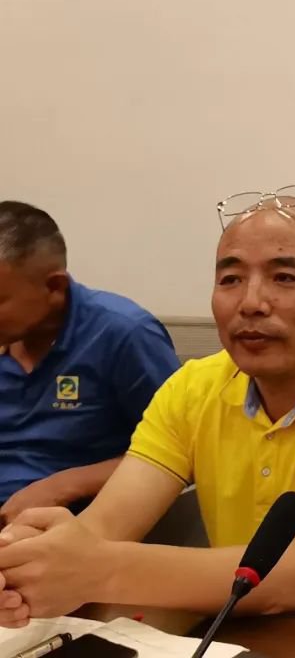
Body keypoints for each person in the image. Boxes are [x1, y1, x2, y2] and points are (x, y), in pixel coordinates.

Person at [0, 187, 295, 639]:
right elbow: (103, 527)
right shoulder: (192, 388)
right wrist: (28, 562)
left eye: (285, 278)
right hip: (243, 634)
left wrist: (94, 568)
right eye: (230, 279)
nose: (251, 303)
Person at [0, 201, 179, 524]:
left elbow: (184, 450)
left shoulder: (124, 334)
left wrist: (64, 486)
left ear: (54, 287)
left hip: (72, 523)